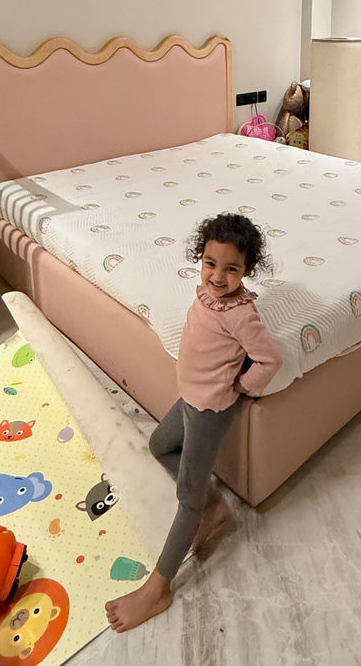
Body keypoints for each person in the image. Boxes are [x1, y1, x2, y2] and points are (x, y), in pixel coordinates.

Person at [106, 213, 282, 632]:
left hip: (209, 411)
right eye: (210, 263)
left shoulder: (241, 315)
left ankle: (159, 587)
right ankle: (214, 507)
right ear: (200, 259)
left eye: (232, 269)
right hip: (189, 398)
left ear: (247, 271)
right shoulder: (205, 294)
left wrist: (242, 386)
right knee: (159, 446)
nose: (218, 276)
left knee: (187, 498)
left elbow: (271, 359)